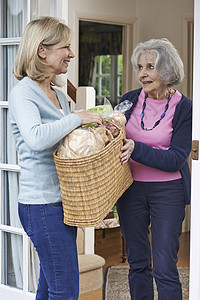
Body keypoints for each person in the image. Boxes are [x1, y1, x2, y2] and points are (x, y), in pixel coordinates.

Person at [9, 16, 103, 300]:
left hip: (63, 202)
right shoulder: (23, 93)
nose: (71, 54)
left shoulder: (59, 96)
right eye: (65, 47)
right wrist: (76, 118)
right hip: (41, 206)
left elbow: (65, 140)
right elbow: (37, 138)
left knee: (50, 286)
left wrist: (95, 130)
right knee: (65, 290)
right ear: (42, 50)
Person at [117, 38, 192, 300]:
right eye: (139, 67)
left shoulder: (186, 108)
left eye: (150, 66)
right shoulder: (128, 101)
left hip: (168, 192)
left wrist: (136, 148)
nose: (142, 74)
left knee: (165, 267)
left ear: (168, 70)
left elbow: (175, 159)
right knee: (137, 263)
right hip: (130, 190)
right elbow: (113, 140)